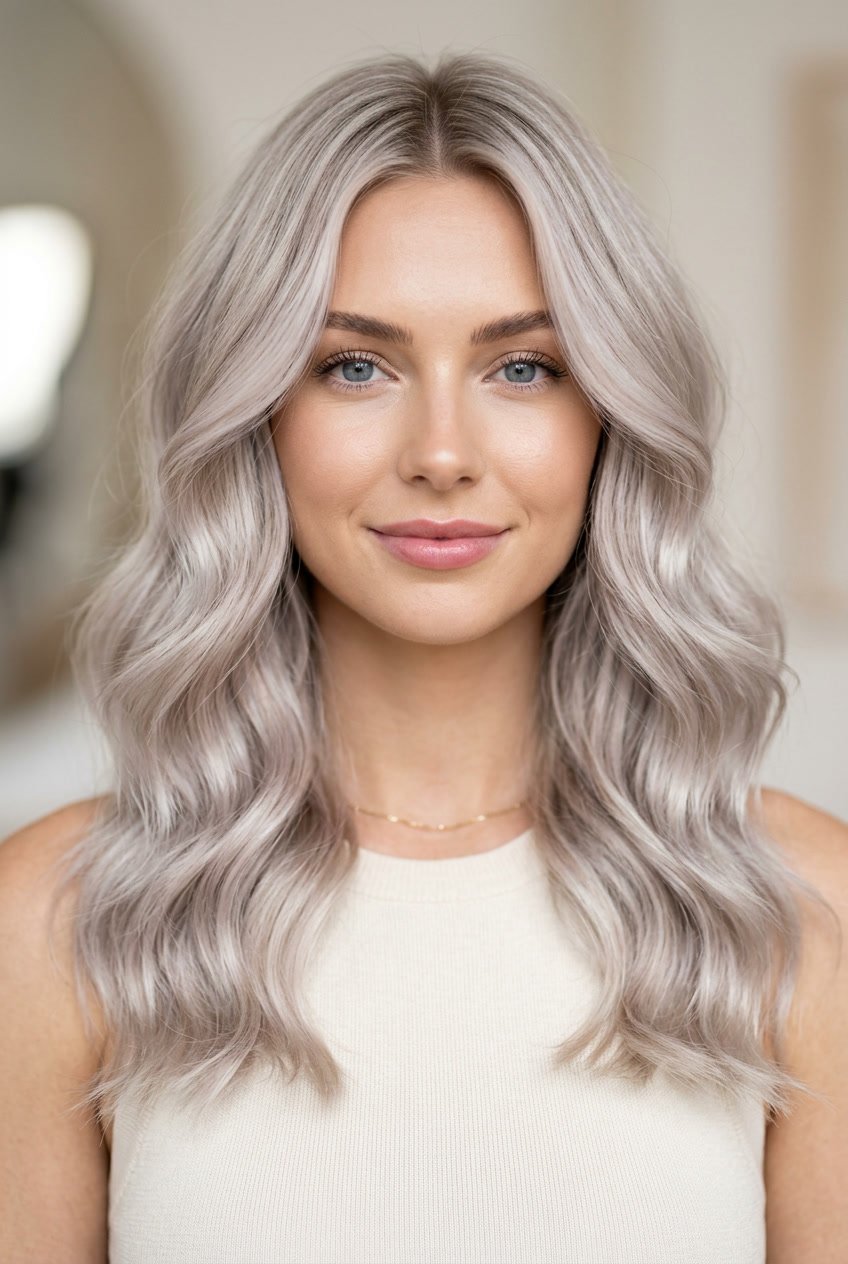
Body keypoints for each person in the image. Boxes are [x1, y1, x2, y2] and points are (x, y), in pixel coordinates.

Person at [1, 49, 846, 1264]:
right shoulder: (55, 920)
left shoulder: (799, 911)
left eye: (522, 367)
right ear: (254, 417)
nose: (441, 450)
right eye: (355, 365)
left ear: (608, 416)